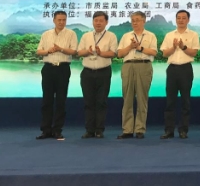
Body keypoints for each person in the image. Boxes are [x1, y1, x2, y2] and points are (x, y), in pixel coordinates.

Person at [35, 10, 78, 140]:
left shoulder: (71, 34)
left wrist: (61, 49)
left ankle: (57, 130)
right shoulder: (46, 34)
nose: (61, 22)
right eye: (59, 20)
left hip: (63, 69)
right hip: (48, 69)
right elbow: (39, 51)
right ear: (54, 20)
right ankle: (46, 130)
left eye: (64, 20)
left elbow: (74, 51)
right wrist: (48, 51)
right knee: (47, 100)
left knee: (61, 100)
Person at [116, 11, 158, 139]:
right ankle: (127, 130)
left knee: (142, 98)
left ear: (144, 21)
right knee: (127, 98)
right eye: (133, 20)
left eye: (137, 20)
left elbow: (154, 52)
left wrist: (140, 48)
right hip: (128, 66)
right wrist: (130, 46)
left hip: (144, 65)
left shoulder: (151, 35)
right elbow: (119, 54)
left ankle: (140, 129)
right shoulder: (126, 36)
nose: (135, 22)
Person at [77, 11, 118, 139]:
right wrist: (88, 51)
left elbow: (113, 53)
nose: (98, 23)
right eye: (96, 20)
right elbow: (79, 52)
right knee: (88, 102)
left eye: (101, 20)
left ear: (106, 22)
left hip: (103, 72)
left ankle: (99, 130)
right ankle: (89, 130)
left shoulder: (111, 36)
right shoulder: (86, 36)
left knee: (101, 102)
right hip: (87, 72)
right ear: (93, 22)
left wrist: (101, 53)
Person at [160, 10, 200, 139]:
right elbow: (164, 53)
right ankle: (169, 130)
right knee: (170, 102)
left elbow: (194, 53)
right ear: (176, 19)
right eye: (178, 18)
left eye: (184, 18)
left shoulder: (193, 35)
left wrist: (183, 47)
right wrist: (173, 47)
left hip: (186, 69)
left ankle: (183, 130)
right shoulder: (169, 35)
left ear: (188, 20)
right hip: (172, 69)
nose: (181, 20)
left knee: (185, 101)